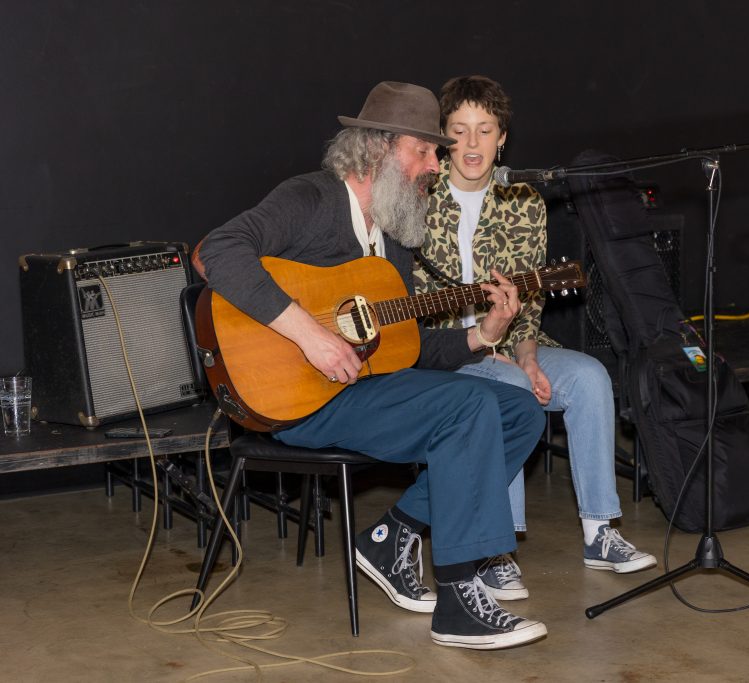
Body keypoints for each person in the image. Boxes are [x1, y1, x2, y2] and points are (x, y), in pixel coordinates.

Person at [193, 81, 548, 650]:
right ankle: (459, 599)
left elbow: (406, 347)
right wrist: (310, 335)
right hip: (297, 397)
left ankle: (391, 537)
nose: (436, 164)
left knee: (520, 411)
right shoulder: (311, 198)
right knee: (469, 405)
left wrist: (483, 335)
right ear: (380, 148)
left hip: (364, 391)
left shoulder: (394, 235)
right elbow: (215, 251)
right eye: (425, 150)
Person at [413, 75, 656, 602]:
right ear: (442, 137)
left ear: (502, 138)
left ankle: (600, 531)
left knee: (590, 377)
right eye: (459, 130)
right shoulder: (418, 196)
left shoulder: (524, 200)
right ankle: (496, 550)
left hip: (507, 343)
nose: (472, 143)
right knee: (511, 390)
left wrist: (526, 355)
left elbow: (528, 300)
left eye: (485, 130)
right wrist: (490, 350)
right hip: (442, 349)